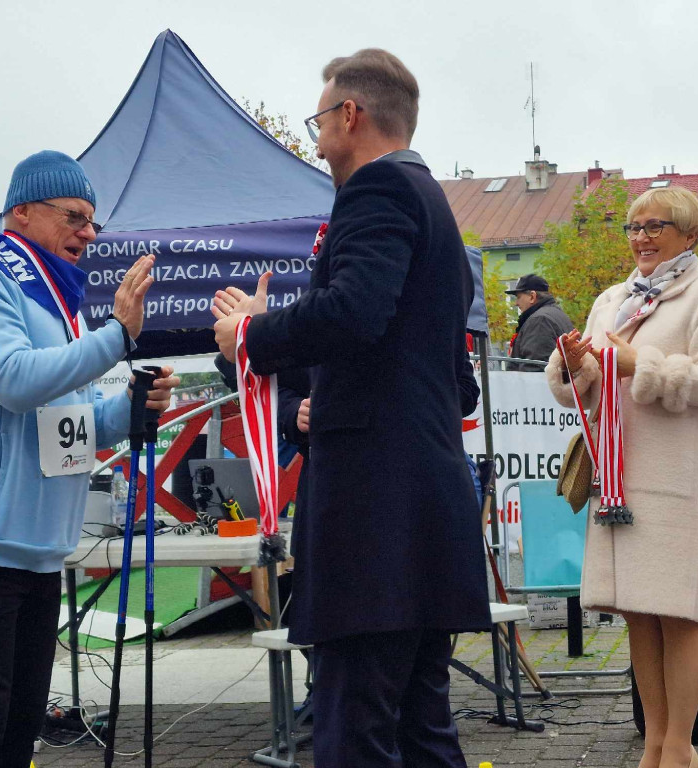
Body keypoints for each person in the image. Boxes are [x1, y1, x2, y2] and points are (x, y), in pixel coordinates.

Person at [211, 49, 489, 768]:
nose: (317, 138)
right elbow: (450, 381)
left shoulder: (376, 192)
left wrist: (251, 334)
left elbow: (355, 314)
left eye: (318, 120)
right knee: (421, 726)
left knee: (355, 727)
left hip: (375, 518)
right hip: (425, 508)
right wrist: (304, 379)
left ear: (350, 115)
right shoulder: (434, 209)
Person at [0, 150, 178, 767]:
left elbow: (64, 421)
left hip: (35, 547)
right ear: (23, 213)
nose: (88, 232)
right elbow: (14, 380)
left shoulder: (57, 296)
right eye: (74, 217)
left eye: (93, 220)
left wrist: (128, 410)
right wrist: (116, 337)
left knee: (19, 726)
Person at [548, 187, 698, 768]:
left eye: (656, 226)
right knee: (639, 611)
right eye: (634, 227)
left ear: (690, 234)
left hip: (678, 480)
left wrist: (643, 364)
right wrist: (572, 360)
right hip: (620, 479)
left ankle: (680, 748)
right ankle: (653, 744)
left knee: (680, 613)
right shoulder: (614, 299)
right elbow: (574, 389)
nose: (642, 237)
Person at [506, 273, 573, 371]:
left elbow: (535, 369)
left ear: (532, 296)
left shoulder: (539, 321)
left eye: (519, 297)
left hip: (538, 385)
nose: (516, 303)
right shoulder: (557, 314)